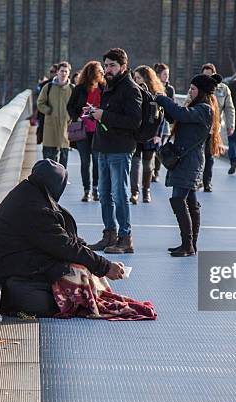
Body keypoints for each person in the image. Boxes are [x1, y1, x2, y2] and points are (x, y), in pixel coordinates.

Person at [0, 160, 125, 317]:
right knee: (66, 297)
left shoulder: (29, 193)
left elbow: (62, 241)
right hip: (11, 275)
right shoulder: (36, 208)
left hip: (11, 266)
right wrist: (104, 266)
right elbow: (64, 246)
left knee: (74, 272)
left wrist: (95, 261)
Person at [155, 73, 222, 257]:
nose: (190, 92)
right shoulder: (199, 108)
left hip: (189, 161)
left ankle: (188, 245)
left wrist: (162, 98)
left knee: (178, 200)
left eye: (193, 89)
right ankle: (190, 244)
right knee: (191, 203)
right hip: (187, 160)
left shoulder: (205, 109)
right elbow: (177, 118)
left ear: (201, 91)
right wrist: (163, 106)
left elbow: (180, 114)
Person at [87, 48, 142, 254]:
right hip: (103, 147)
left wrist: (104, 115)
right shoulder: (108, 86)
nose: (108, 69)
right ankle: (109, 234)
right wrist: (95, 114)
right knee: (103, 194)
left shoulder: (130, 88)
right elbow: (109, 115)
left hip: (120, 149)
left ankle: (125, 237)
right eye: (106, 65)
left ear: (123, 67)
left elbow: (134, 121)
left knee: (119, 194)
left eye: (112, 66)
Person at [67, 61, 105, 202]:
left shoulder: (104, 88)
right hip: (83, 129)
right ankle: (86, 190)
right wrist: (77, 115)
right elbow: (70, 106)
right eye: (100, 71)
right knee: (85, 161)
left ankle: (95, 189)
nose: (102, 73)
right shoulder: (80, 89)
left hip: (98, 130)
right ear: (92, 73)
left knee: (97, 160)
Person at [130, 65, 166, 204]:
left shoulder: (157, 93)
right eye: (135, 78)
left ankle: (146, 192)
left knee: (147, 164)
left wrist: (159, 134)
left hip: (151, 134)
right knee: (135, 163)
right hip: (136, 133)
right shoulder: (133, 92)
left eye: (138, 77)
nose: (136, 80)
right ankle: (134, 192)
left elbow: (162, 117)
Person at [200, 63, 235, 192]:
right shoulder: (196, 87)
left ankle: (207, 182)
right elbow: (188, 103)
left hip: (214, 129)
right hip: (198, 127)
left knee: (209, 156)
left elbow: (229, 108)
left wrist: (230, 125)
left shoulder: (223, 89)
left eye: (210, 76)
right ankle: (197, 179)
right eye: (205, 76)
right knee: (197, 155)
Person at [37, 61, 73, 168]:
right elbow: (40, 103)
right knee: (49, 159)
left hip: (65, 128)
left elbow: (77, 106)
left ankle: (61, 180)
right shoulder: (48, 87)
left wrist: (71, 117)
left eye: (66, 71)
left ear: (68, 73)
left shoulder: (72, 89)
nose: (63, 74)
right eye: (61, 71)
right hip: (50, 127)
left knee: (63, 159)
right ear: (57, 72)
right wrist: (48, 111)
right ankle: (49, 180)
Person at [152, 63, 175, 182]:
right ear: (158, 75)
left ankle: (156, 171)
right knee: (153, 147)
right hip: (154, 120)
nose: (167, 76)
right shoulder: (153, 87)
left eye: (168, 74)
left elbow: (173, 105)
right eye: (164, 74)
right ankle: (151, 170)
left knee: (160, 148)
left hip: (165, 122)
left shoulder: (170, 89)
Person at [34, 64, 58, 159]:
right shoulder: (45, 85)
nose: (52, 74)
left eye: (53, 71)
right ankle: (47, 166)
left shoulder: (66, 87)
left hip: (58, 121)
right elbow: (39, 102)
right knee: (46, 146)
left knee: (56, 149)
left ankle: (56, 169)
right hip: (45, 120)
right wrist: (49, 111)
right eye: (51, 72)